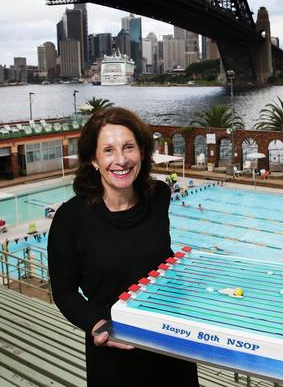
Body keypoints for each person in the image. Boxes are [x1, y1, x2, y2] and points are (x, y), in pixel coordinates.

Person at [47, 107, 198, 386]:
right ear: (93, 159)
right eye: (108, 150)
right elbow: (64, 293)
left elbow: (158, 257)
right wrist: (98, 326)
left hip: (168, 343)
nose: (121, 160)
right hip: (115, 349)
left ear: (141, 151)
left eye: (128, 147)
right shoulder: (71, 218)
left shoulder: (159, 196)